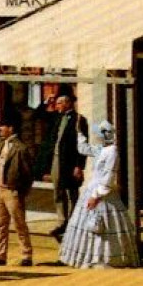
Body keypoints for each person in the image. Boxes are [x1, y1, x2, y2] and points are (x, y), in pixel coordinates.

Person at [57, 120, 140, 269]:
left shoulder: (112, 151)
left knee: (102, 225)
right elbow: (83, 149)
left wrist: (96, 195)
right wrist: (79, 133)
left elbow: (108, 176)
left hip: (102, 192)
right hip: (93, 188)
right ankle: (88, 257)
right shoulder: (101, 149)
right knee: (87, 224)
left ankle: (104, 259)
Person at [0, 109, 35, 267]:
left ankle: (26, 255)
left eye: (3, 126)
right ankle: (0, 255)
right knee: (1, 224)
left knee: (19, 223)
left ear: (11, 128)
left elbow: (28, 174)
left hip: (13, 190)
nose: (0, 128)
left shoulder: (21, 148)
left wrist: (21, 191)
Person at [47, 93, 89, 240]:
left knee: (72, 192)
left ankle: (73, 220)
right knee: (58, 190)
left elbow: (82, 143)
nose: (57, 105)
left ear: (68, 103)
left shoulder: (79, 120)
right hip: (57, 159)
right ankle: (62, 220)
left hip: (70, 161)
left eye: (60, 103)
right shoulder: (57, 118)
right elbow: (39, 115)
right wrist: (48, 101)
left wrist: (79, 165)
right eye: (57, 103)